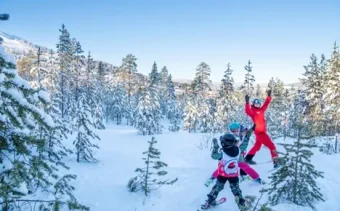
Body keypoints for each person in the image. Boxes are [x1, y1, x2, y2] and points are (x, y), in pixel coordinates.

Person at [205, 123, 265, 187]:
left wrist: (252, 129)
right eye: (234, 130)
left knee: (245, 166)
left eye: (237, 129)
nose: (236, 131)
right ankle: (212, 178)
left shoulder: (240, 135)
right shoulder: (227, 136)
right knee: (223, 167)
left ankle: (256, 178)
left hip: (238, 154)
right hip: (228, 155)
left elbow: (246, 136)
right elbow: (221, 146)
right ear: (230, 130)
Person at [200, 133, 246, 210]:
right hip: (233, 175)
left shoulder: (222, 154)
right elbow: (244, 144)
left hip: (222, 175)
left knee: (216, 188)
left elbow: (214, 156)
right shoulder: (238, 150)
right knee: (236, 191)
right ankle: (241, 205)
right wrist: (248, 133)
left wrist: (215, 145)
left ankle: (209, 201)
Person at [244, 90, 280, 168]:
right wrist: (247, 103)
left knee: (257, 146)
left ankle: (248, 158)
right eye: (255, 103)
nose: (257, 104)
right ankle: (276, 162)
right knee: (272, 146)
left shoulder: (261, 110)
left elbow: (266, 104)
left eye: (258, 103)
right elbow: (247, 111)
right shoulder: (252, 111)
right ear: (253, 104)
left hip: (262, 131)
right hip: (260, 133)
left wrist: (269, 97)